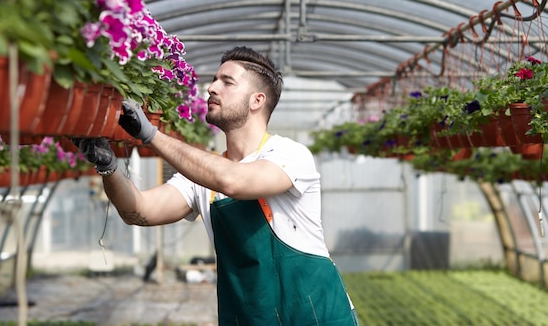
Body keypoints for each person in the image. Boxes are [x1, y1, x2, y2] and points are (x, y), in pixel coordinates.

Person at [73, 46, 359, 326]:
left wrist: (151, 135)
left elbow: (235, 181)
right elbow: (139, 212)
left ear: (256, 100)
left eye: (227, 81)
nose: (211, 88)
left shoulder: (289, 155)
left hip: (315, 315)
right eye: (214, 79)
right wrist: (108, 166)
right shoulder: (201, 177)